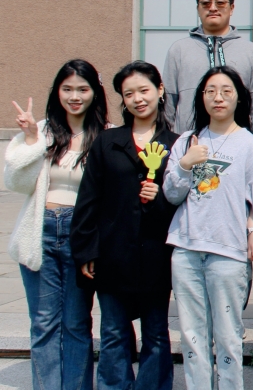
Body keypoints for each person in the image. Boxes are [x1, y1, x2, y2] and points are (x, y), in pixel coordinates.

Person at [163, 66, 253, 390]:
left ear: (238, 98)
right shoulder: (187, 141)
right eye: (211, 91)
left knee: (228, 338)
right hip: (186, 251)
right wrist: (185, 164)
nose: (218, 97)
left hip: (228, 255)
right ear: (201, 97)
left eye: (227, 91)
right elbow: (171, 194)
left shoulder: (249, 145)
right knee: (192, 337)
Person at [71, 61, 179, 390]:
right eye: (129, 94)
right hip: (113, 254)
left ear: (160, 90)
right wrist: (86, 250)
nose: (138, 99)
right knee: (114, 332)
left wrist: (159, 198)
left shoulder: (177, 144)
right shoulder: (108, 142)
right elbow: (88, 200)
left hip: (157, 255)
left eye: (144, 90)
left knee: (156, 333)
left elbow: (185, 203)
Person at [5, 60, 107, 390]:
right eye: (67, 89)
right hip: (42, 230)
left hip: (82, 234)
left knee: (76, 323)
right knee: (44, 322)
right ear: (57, 92)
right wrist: (31, 141)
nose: (75, 96)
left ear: (95, 93)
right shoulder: (42, 131)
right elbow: (16, 183)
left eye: (82, 89)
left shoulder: (105, 135)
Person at [164, 0, 253, 133]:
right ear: (198, 8)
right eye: (206, 3)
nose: (212, 8)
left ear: (231, 8)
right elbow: (168, 105)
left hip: (237, 142)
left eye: (220, 3)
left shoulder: (252, 52)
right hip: (189, 141)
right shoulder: (178, 50)